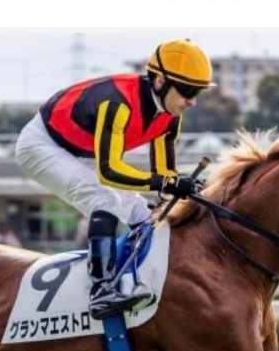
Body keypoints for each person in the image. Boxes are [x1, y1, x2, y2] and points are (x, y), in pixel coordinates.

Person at [15, 38, 215, 319]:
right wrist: (167, 183)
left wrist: (185, 190)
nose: (192, 101)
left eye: (198, 92)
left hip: (82, 148)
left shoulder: (170, 118)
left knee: (142, 213)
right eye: (187, 91)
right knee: (105, 200)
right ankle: (102, 290)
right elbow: (109, 171)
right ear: (160, 81)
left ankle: (139, 279)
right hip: (41, 144)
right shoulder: (118, 103)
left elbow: (164, 179)